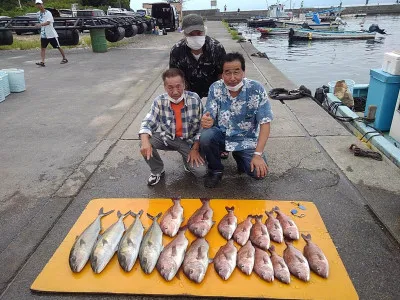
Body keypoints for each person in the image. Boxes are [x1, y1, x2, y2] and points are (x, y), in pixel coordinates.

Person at [200, 52, 273, 188]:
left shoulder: (256, 89)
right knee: (206, 136)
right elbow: (208, 115)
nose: (232, 78)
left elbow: (265, 123)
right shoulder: (215, 88)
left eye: (236, 72)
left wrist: (258, 154)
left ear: (244, 72)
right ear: (222, 74)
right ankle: (215, 169)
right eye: (227, 73)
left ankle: (240, 156)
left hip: (246, 139)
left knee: (259, 173)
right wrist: (206, 120)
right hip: (222, 135)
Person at [139, 68, 207, 186]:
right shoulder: (159, 101)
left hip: (188, 142)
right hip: (168, 138)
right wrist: (145, 141)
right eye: (170, 87)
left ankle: (186, 161)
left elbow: (203, 125)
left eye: (178, 86)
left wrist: (195, 148)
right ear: (165, 87)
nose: (175, 92)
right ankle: (157, 170)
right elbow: (148, 122)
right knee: (144, 141)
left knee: (201, 172)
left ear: (184, 85)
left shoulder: (194, 99)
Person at [169, 14, 226, 99]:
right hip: (187, 95)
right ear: (184, 34)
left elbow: (222, 74)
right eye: (191, 34)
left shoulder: (216, 48)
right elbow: (175, 76)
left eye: (199, 33)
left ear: (204, 32)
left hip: (213, 94)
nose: (196, 36)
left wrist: (219, 97)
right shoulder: (176, 51)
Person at [35, 0, 68, 67]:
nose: (39, 6)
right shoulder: (38, 13)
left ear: (42, 4)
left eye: (40, 4)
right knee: (43, 48)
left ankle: (64, 58)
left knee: (58, 46)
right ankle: (42, 62)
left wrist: (40, 24)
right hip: (43, 34)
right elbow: (39, 21)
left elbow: (48, 22)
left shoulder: (48, 13)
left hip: (51, 34)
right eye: (37, 4)